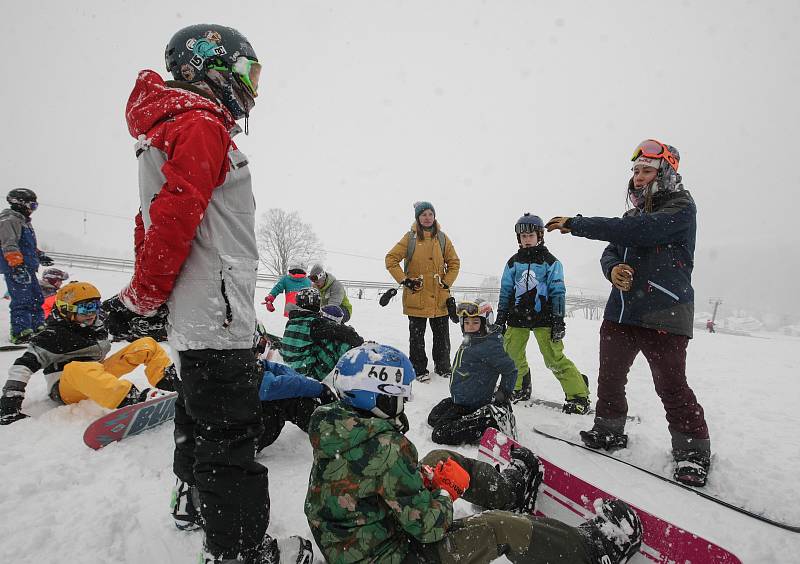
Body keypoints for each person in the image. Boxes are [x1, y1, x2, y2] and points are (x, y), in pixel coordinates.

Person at [102, 24, 312, 563]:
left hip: (207, 310)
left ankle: (194, 500)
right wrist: (144, 296)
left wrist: (152, 298)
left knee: (199, 417)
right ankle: (239, 549)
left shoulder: (174, 125)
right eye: (248, 72)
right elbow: (172, 219)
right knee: (231, 433)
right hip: (214, 312)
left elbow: (147, 222)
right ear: (207, 65)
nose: (253, 88)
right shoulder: (199, 122)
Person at [304, 343, 644, 564]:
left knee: (438, 459)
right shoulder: (385, 447)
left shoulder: (338, 426)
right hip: (392, 555)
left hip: (360, 542)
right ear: (375, 397)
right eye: (398, 396)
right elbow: (430, 528)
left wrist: (424, 481)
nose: (403, 403)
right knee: (500, 528)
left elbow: (373, 483)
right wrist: (442, 493)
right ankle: (592, 551)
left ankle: (510, 492)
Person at [545, 138, 711, 487]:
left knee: (670, 385)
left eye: (646, 170)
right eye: (635, 170)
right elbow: (612, 248)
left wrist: (577, 224)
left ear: (664, 174)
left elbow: (640, 232)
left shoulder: (681, 208)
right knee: (610, 375)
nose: (638, 177)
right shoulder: (632, 214)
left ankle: (693, 452)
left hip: (665, 310)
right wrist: (613, 268)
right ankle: (608, 430)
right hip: (622, 311)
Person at [0, 281, 176, 425]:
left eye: (94, 306)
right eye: (85, 308)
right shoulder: (52, 336)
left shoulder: (96, 326)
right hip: (67, 387)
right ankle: (130, 398)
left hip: (96, 376)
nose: (91, 313)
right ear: (66, 309)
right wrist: (11, 401)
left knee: (146, 345)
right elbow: (22, 366)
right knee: (78, 368)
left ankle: (169, 382)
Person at [496, 213, 591, 412]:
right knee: (512, 355)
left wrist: (558, 319)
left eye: (531, 235)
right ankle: (519, 387)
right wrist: (501, 317)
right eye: (523, 237)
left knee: (553, 359)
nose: (527, 240)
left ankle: (578, 395)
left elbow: (558, 291)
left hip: (544, 318)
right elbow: (506, 291)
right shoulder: (513, 263)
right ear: (519, 239)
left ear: (539, 236)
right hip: (517, 317)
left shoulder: (550, 262)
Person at [385, 201, 460, 381]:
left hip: (440, 297)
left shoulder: (442, 238)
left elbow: (454, 263)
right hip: (416, 295)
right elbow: (391, 259)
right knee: (417, 337)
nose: (427, 218)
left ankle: (443, 367)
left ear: (434, 216)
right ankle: (419, 369)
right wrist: (405, 280)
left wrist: (446, 282)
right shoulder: (409, 238)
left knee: (442, 336)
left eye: (430, 214)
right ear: (418, 218)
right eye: (423, 214)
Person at [427, 298, 517, 445]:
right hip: (462, 400)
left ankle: (488, 422)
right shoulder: (473, 339)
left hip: (474, 404)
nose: (469, 326)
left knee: (439, 434)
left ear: (486, 322)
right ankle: (478, 416)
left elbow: (510, 371)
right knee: (434, 418)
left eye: (475, 322)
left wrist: (502, 395)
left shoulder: (489, 345)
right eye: (466, 322)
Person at [0, 188, 54, 343]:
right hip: (16, 267)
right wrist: (17, 265)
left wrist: (39, 255)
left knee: (36, 298)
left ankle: (38, 326)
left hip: (27, 267)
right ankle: (20, 331)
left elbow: (26, 246)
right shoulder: (9, 219)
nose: (33, 210)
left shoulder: (23, 221)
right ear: (19, 203)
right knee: (22, 299)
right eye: (32, 205)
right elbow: (9, 245)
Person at [281, 287, 364, 381]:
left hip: (289, 369)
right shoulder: (314, 323)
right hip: (308, 375)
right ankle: (356, 368)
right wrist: (360, 342)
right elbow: (343, 332)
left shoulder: (292, 321)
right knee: (340, 342)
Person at [256, 359, 337, 452]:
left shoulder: (239, 356)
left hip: (240, 434)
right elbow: (273, 385)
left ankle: (327, 426)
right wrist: (321, 390)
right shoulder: (240, 368)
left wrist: (299, 379)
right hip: (241, 444)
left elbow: (265, 365)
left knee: (293, 392)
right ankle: (331, 431)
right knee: (291, 400)